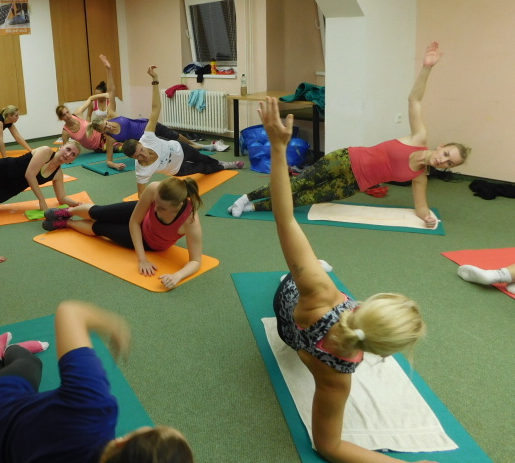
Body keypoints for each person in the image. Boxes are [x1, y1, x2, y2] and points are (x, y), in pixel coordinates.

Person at [260, 96, 431, 463]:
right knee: (314, 276)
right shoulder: (338, 375)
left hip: (291, 303)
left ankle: (310, 267)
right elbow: (329, 446)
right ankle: (311, 269)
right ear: (382, 353)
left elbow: (285, 217)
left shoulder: (322, 293)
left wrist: (278, 149)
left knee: (313, 273)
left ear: (367, 306)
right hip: (296, 340)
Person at [228, 42, 471, 228]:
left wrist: (427, 217)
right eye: (446, 154)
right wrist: (427, 68)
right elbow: (414, 100)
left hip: (354, 184)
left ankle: (253, 208)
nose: (443, 161)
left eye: (449, 163)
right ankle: (246, 197)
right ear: (441, 146)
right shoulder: (419, 138)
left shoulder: (420, 177)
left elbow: (421, 207)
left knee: (304, 198)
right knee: (299, 183)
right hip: (346, 159)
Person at [0, 300, 194, 463]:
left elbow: (70, 312)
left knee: (30, 364)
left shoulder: (92, 405)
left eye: (153, 429)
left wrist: (114, 324)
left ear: (123, 443)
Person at [43, 176, 203, 289]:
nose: (155, 210)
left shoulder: (190, 222)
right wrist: (141, 259)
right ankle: (68, 212)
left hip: (149, 241)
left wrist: (177, 276)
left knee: (100, 227)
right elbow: (135, 221)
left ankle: (67, 223)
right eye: (155, 203)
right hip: (138, 218)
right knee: (99, 212)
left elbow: (196, 261)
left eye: (161, 208)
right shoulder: (155, 189)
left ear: (177, 206)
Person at [121, 66, 243, 196]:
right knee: (202, 168)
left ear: (140, 143)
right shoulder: (142, 171)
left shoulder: (147, 138)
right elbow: (141, 194)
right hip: (177, 168)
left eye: (141, 150)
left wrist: (155, 79)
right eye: (138, 156)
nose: (143, 155)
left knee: (202, 157)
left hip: (180, 148)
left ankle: (219, 163)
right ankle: (226, 165)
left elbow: (156, 108)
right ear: (133, 158)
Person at [92, 55, 227, 171]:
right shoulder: (110, 139)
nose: (109, 126)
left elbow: (111, 90)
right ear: (103, 132)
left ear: (106, 120)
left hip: (149, 124)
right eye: (105, 128)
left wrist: (108, 69)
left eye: (106, 123)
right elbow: (108, 160)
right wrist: (115, 165)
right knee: (173, 144)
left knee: (175, 135)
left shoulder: (112, 115)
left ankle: (199, 145)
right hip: (147, 139)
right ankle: (200, 148)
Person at [0, 142, 81, 211]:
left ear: (73, 159)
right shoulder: (46, 151)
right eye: (68, 149)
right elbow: (30, 175)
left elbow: (61, 198)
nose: (68, 154)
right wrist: (42, 200)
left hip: (7, 190)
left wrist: (76, 204)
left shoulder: (58, 174)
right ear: (61, 147)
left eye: (73, 154)